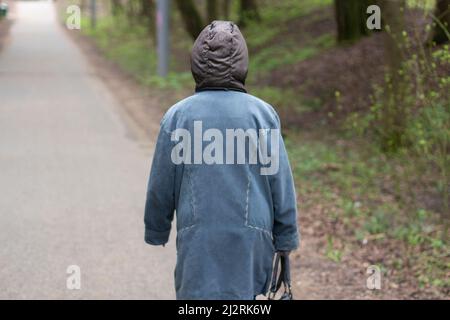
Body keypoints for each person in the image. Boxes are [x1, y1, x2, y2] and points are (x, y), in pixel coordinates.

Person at [144, 21, 299, 300]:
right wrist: (286, 236)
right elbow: (281, 183)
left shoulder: (178, 117)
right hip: (252, 238)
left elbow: (161, 182)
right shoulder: (262, 115)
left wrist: (157, 227)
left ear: (196, 64)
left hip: (198, 238)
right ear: (242, 63)